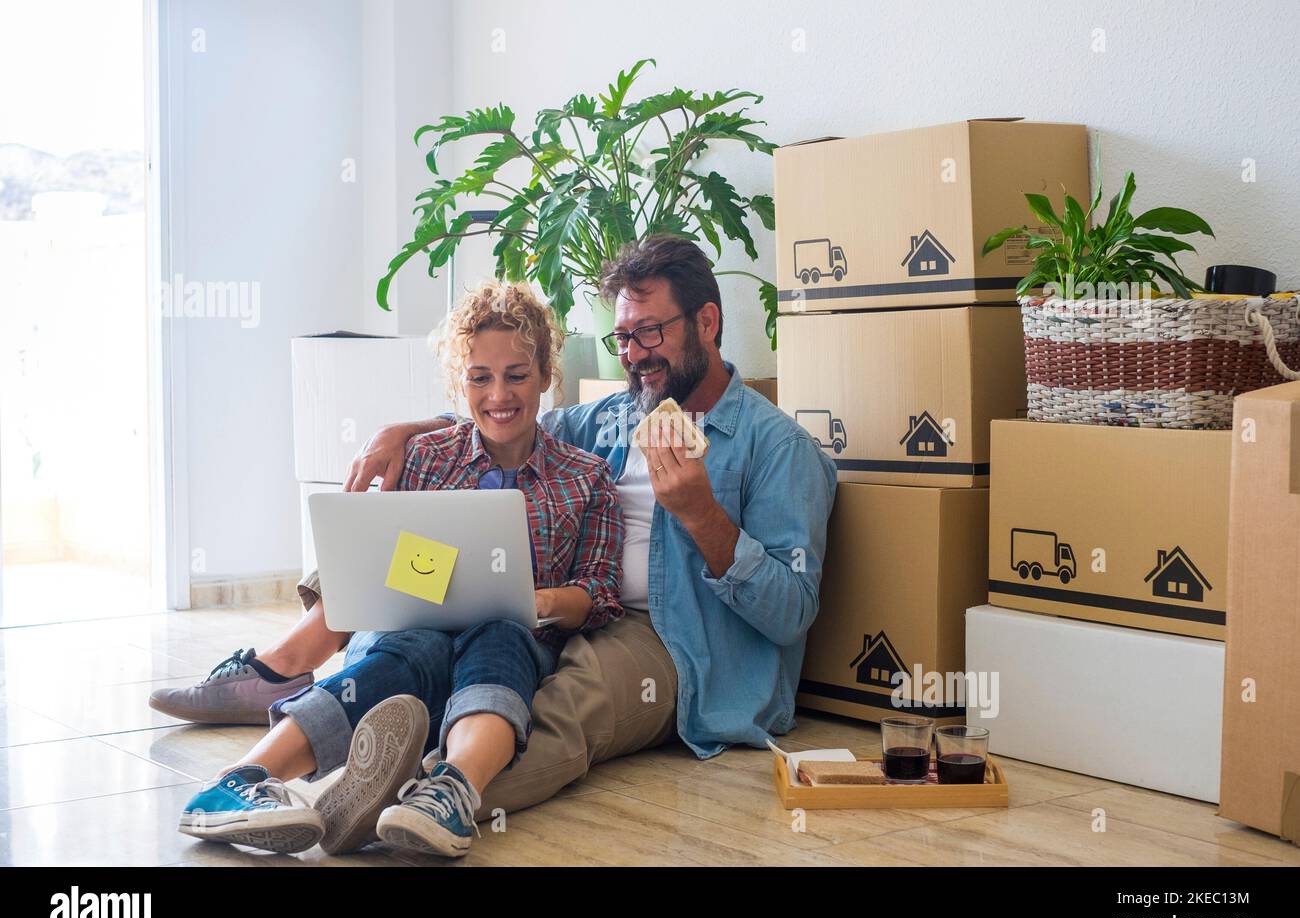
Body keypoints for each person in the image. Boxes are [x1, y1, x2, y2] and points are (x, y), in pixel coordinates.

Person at [161, 234, 837, 825]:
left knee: (567, 701)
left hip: (675, 637)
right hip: (559, 609)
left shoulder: (779, 449)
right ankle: (292, 675)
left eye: (650, 333)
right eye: (622, 337)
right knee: (407, 552)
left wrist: (701, 515)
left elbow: (791, 612)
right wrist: (408, 431)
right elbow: (505, 424)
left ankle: (421, 794)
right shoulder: (610, 418)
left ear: (708, 322)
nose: (633, 355)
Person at [173, 281, 623, 858]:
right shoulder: (428, 457)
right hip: (409, 634)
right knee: (415, 647)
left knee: (500, 633)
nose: (498, 395)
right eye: (479, 377)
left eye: (517, 374)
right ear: (459, 382)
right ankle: (234, 784)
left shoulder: (586, 478)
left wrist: (540, 600)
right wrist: (416, 578)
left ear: (546, 375)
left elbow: (600, 593)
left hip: (515, 642)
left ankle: (449, 792)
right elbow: (396, 567)